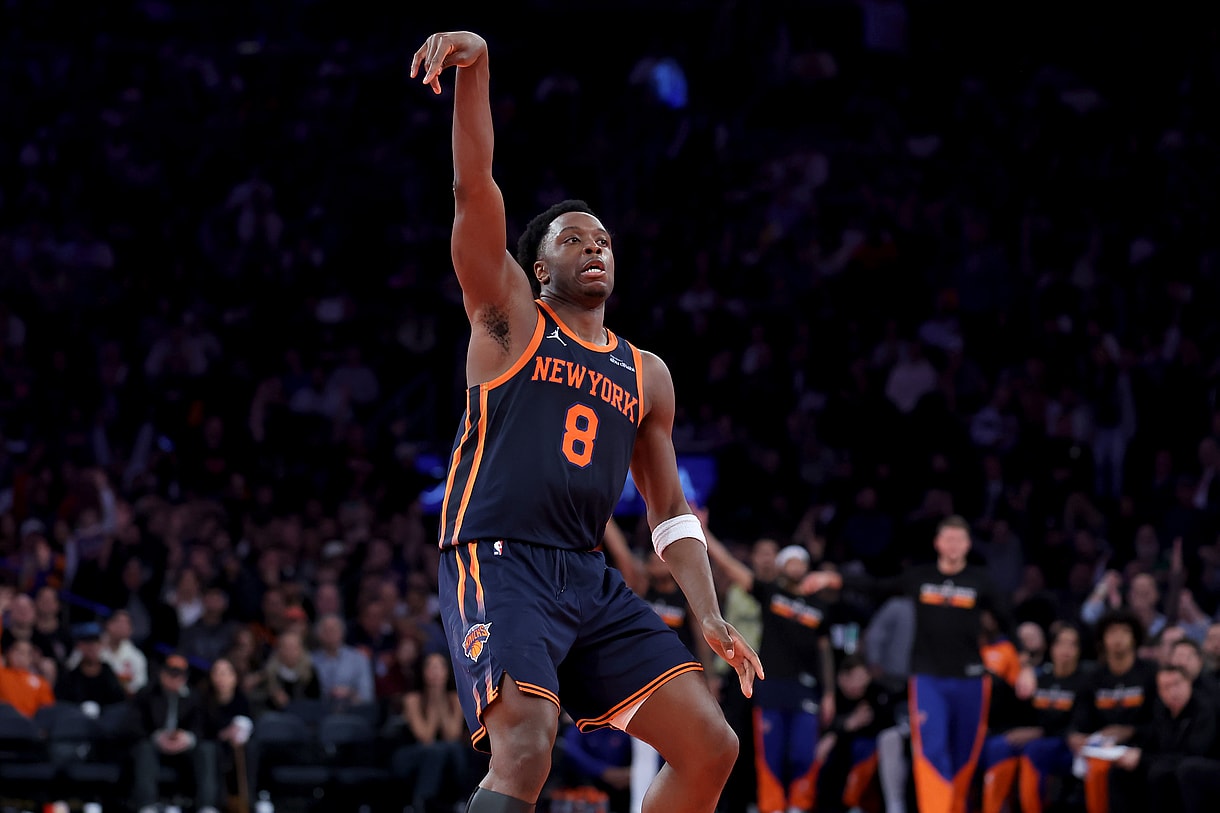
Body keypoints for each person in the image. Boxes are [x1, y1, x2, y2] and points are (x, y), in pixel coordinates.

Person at [411, 30, 762, 813]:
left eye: (603, 239)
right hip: (499, 559)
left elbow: (670, 512)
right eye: (574, 238)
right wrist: (478, 74)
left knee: (712, 745)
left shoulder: (646, 374)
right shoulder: (510, 320)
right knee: (527, 749)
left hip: (586, 575)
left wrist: (707, 611)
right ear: (540, 266)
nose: (594, 246)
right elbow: (476, 192)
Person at [803, 515, 1026, 813]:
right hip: (928, 679)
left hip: (971, 679)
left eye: (959, 539)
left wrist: (1023, 665)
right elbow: (876, 587)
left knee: (964, 756)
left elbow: (1008, 622)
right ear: (937, 542)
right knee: (932, 752)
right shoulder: (920, 576)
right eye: (947, 538)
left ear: (968, 544)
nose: (953, 544)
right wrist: (836, 579)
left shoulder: (979, 580)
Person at [704, 521, 835, 813]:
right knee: (770, 755)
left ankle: (799, 806)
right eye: (789, 562)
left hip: (806, 689)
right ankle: (772, 807)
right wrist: (704, 531)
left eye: (800, 562)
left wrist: (829, 693)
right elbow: (730, 566)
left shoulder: (820, 605)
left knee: (803, 753)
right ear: (781, 567)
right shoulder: (771, 594)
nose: (795, 566)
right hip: (772, 686)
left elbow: (825, 653)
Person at [978, 622, 1088, 813]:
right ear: (1051, 647)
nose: (1066, 650)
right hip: (1035, 738)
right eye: (1061, 643)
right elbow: (1021, 716)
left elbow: (1080, 724)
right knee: (998, 745)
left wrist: (1040, 732)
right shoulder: (1039, 679)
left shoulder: (1085, 681)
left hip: (1062, 743)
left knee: (1035, 750)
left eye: (1072, 645)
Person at [1066, 608, 1157, 813]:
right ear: (1102, 640)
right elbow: (1080, 718)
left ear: (1134, 638)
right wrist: (1075, 736)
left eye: (1124, 632)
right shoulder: (1093, 678)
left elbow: (1161, 720)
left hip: (1142, 745)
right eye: (1112, 632)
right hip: (1102, 746)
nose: (1118, 638)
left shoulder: (1150, 673)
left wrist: (1131, 731)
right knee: (1096, 765)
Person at [129, 653, 222, 813]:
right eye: (170, 674)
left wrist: (188, 738)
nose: (174, 678)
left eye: (179, 675)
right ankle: (147, 806)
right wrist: (157, 737)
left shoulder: (194, 697)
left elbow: (203, 727)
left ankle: (207, 806)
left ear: (185, 677)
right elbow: (134, 726)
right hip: (155, 746)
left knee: (207, 749)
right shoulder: (147, 694)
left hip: (184, 748)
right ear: (162, 674)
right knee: (144, 748)